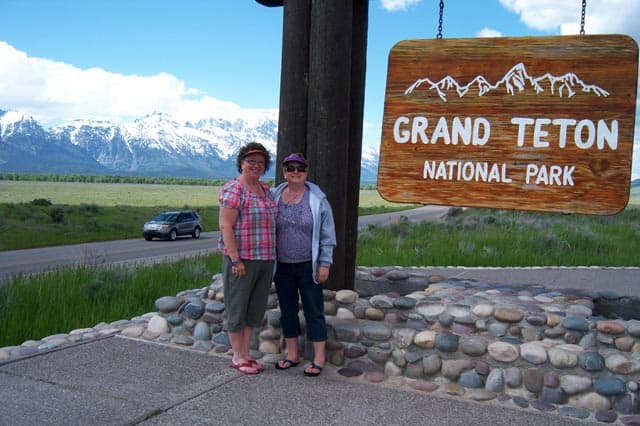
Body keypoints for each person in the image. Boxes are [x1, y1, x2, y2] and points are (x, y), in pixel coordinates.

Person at [272, 153, 336, 377]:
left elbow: (328, 235)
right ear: (284, 172)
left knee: (314, 311)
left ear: (306, 172)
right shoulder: (274, 196)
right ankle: (292, 354)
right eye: (290, 168)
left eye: (300, 168)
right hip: (282, 265)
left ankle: (319, 357)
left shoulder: (317, 200)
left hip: (309, 265)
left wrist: (325, 263)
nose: (295, 171)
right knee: (287, 311)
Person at [218, 142, 277, 375]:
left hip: (265, 259)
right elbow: (225, 226)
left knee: (254, 308)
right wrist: (235, 259)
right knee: (237, 306)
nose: (255, 165)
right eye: (250, 160)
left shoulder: (265, 189)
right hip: (241, 260)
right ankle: (237, 356)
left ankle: (246, 353)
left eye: (260, 162)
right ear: (241, 163)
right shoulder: (234, 189)